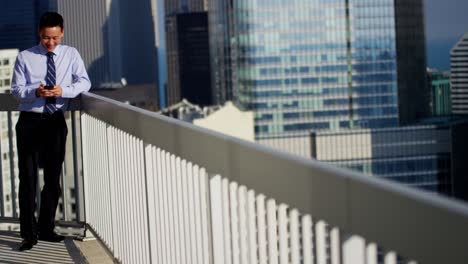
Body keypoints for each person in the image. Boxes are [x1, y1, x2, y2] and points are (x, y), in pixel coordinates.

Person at [11, 11, 91, 251]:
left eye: (55, 38)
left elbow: (85, 82)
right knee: (27, 179)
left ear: (62, 32)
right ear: (40, 33)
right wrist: (35, 92)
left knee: (52, 179)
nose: (51, 43)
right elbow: (16, 89)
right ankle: (28, 234)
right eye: (46, 38)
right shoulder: (25, 57)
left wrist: (61, 91)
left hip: (55, 121)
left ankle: (46, 228)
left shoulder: (71, 54)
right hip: (29, 122)